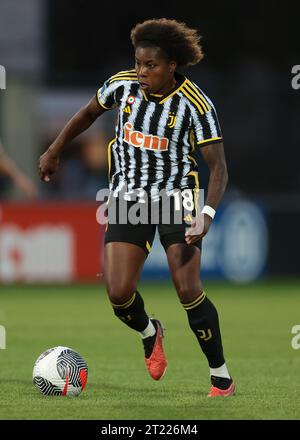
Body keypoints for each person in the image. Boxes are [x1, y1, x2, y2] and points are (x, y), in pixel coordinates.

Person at [39, 18, 234, 397]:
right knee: (118, 293)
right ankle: (150, 332)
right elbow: (87, 113)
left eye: (151, 66)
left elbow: (219, 168)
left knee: (187, 289)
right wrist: (54, 150)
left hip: (177, 200)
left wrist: (206, 216)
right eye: (138, 63)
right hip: (128, 198)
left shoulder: (197, 105)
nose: (142, 72)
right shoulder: (122, 85)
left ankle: (220, 376)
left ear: (171, 66)